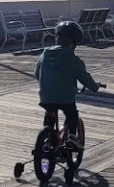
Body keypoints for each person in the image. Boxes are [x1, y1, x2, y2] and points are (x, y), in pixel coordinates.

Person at [34, 20, 101, 152]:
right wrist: (95, 87)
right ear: (74, 43)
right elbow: (84, 77)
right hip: (65, 98)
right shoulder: (74, 60)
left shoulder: (45, 54)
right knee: (72, 114)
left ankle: (47, 137)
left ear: (57, 38)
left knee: (49, 112)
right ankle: (72, 136)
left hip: (46, 96)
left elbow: (37, 73)